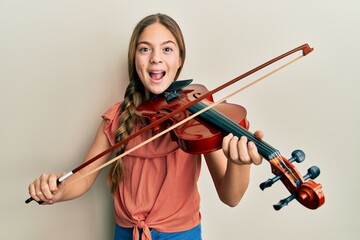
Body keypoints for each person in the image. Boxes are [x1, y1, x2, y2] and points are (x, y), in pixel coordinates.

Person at [28, 13, 263, 240]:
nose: (156, 58)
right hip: (126, 235)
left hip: (182, 235)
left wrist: (238, 163)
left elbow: (230, 196)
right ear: (135, 59)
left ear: (180, 59)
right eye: (145, 49)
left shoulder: (200, 114)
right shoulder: (116, 117)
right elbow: (83, 178)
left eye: (167, 49)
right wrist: (56, 191)